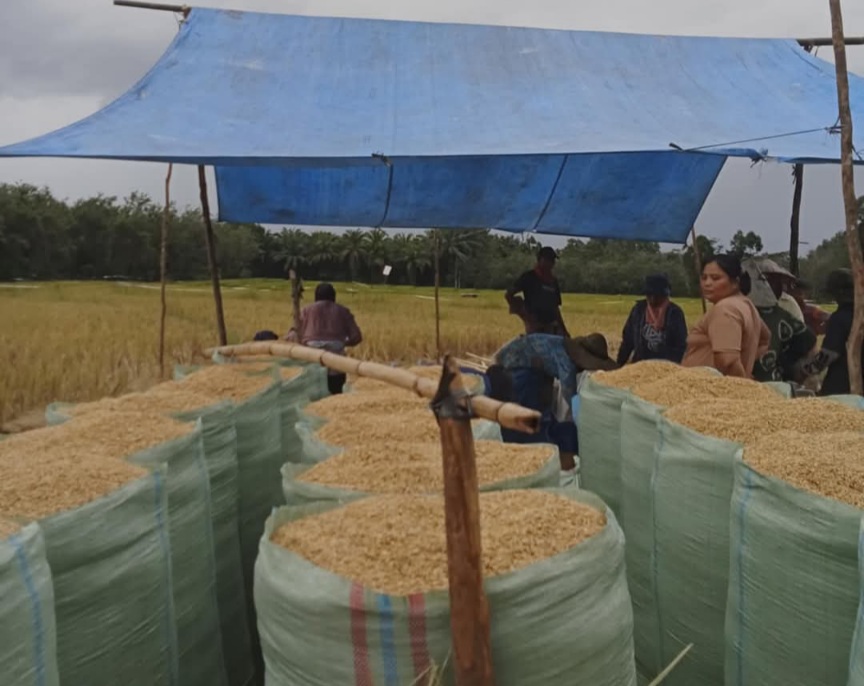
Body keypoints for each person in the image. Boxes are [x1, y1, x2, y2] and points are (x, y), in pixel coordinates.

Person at [489, 332, 618, 486]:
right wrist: (582, 425)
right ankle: (527, 467)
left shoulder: (564, 350)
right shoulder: (566, 363)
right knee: (529, 425)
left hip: (528, 371)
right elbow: (569, 398)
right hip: (514, 373)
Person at [682, 254, 770, 378]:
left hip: (710, 386)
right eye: (704, 277)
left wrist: (739, 383)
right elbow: (765, 340)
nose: (707, 283)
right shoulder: (745, 304)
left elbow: (728, 361)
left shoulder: (725, 309)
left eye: (715, 278)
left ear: (735, 282)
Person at [742, 259, 817, 384]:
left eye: (779, 282)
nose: (780, 287)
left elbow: (808, 340)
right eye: (773, 281)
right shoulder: (736, 310)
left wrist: (802, 374)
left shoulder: (781, 312)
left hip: (773, 381)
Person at [291, 283, 362, 394]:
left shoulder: (306, 311)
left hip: (312, 361)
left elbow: (294, 335)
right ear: (334, 296)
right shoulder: (343, 311)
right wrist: (342, 343)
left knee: (312, 397)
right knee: (335, 396)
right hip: (336, 363)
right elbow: (356, 337)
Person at [801, 269, 863, 396]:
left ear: (840, 293)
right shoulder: (858, 314)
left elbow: (829, 354)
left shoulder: (840, 318)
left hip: (844, 386)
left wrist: (805, 370)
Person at [617, 274, 688, 365]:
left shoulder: (674, 313)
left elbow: (680, 347)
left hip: (666, 365)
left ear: (665, 295)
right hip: (640, 364)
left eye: (657, 296)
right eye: (650, 295)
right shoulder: (639, 310)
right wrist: (618, 365)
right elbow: (627, 341)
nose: (653, 299)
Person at [505, 246, 570, 336]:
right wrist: (524, 315)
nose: (551, 263)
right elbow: (508, 295)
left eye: (552, 260)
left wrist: (564, 331)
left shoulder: (553, 281)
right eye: (548, 259)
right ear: (539, 259)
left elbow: (556, 308)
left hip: (552, 326)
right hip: (535, 327)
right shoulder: (529, 277)